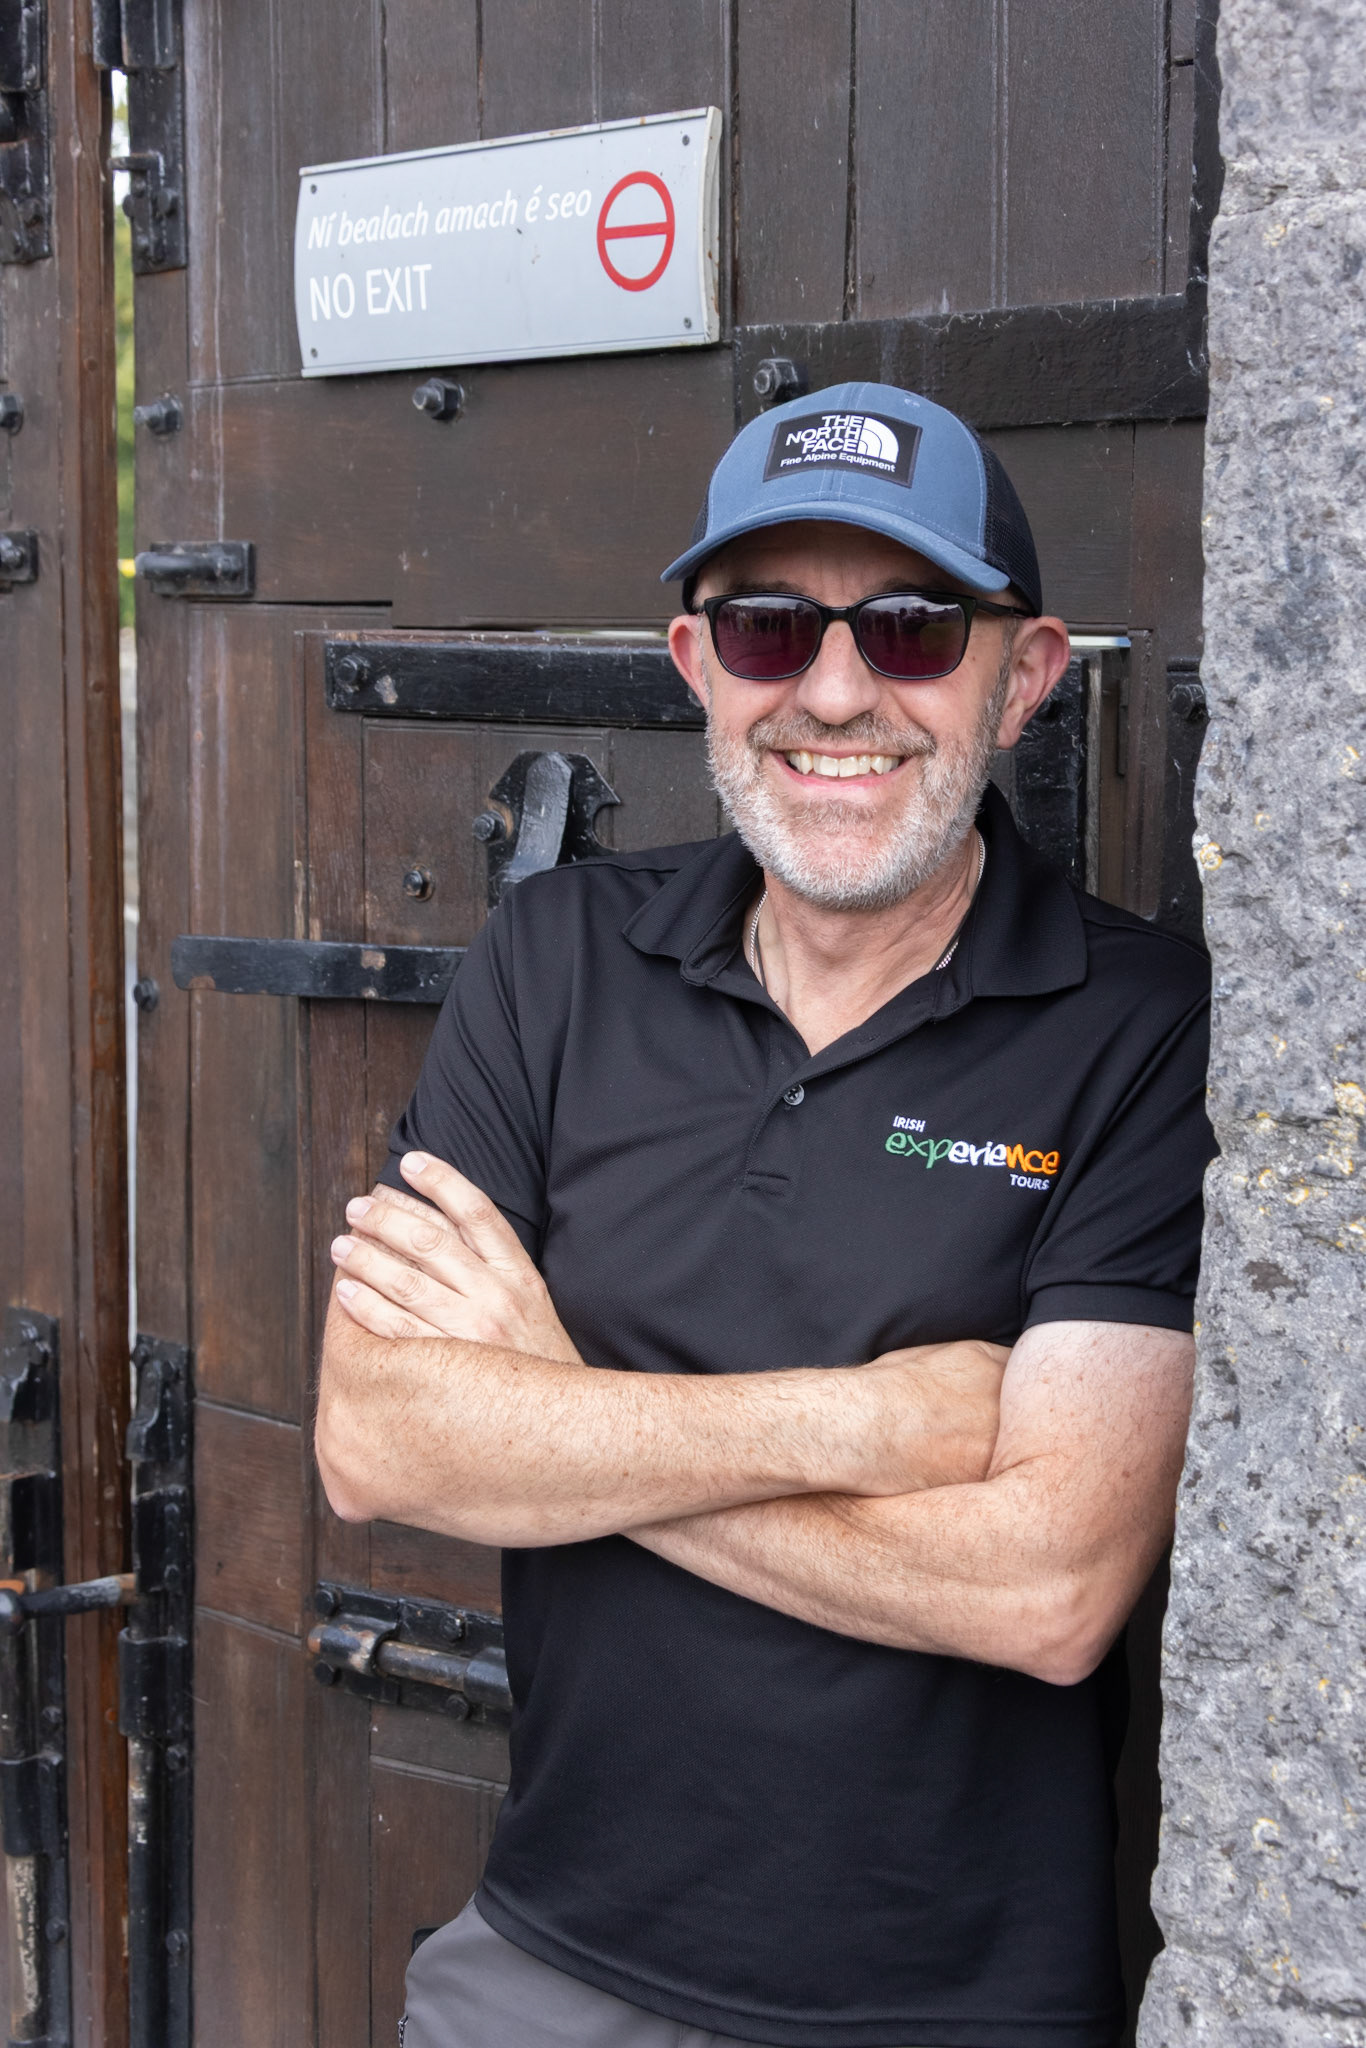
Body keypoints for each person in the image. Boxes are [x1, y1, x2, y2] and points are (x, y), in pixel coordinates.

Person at [316, 382, 1214, 2048]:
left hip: (942, 2009)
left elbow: (1047, 1593)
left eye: (913, 627)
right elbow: (380, 1447)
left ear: (1024, 677)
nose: (835, 690)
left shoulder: (1140, 1026)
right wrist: (874, 1421)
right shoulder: (555, 962)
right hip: (542, 1960)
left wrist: (559, 1432)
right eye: (767, 630)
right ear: (693, 670)